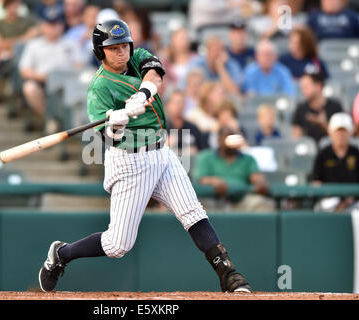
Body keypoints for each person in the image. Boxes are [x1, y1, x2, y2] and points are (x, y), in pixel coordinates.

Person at [38, 18, 252, 294]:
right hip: (129, 160)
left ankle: (229, 275)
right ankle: (62, 254)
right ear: (100, 51)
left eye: (124, 45)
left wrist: (143, 94)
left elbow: (155, 74)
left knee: (193, 212)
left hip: (161, 152)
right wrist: (116, 121)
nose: (121, 51)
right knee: (118, 245)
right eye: (113, 47)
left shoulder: (138, 56)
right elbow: (109, 138)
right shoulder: (99, 88)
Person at [19, 10, 84, 130]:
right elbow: (24, 70)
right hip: (42, 81)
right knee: (29, 88)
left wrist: (68, 75)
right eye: (50, 24)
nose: (53, 28)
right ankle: (50, 118)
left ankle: (75, 124)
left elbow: (79, 65)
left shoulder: (70, 43)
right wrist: (42, 76)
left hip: (66, 83)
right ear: (42, 25)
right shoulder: (33, 44)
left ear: (62, 25)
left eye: (56, 24)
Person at [193, 126, 274, 212]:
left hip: (241, 199)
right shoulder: (206, 157)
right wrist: (213, 181)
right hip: (215, 199)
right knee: (202, 207)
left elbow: (255, 176)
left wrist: (259, 180)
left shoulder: (248, 159)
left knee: (261, 204)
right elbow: (200, 179)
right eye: (227, 136)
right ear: (219, 139)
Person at [0, 0, 39, 103]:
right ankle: (14, 89)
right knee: (9, 57)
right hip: (4, 58)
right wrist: (22, 39)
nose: (14, 7)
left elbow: (38, 32)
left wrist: (9, 44)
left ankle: (14, 88)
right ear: (5, 6)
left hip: (23, 56)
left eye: (16, 4)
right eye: (11, 4)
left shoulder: (27, 21)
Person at [312, 113, 359, 211]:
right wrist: (328, 195)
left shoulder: (357, 154)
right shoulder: (323, 154)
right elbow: (316, 182)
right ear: (331, 133)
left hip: (354, 201)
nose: (341, 135)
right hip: (329, 200)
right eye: (337, 132)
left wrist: (350, 199)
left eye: (344, 132)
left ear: (350, 133)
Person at [292, 70, 343, 143]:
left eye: (307, 87)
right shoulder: (301, 109)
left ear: (318, 86)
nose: (303, 91)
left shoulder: (335, 107)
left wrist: (323, 124)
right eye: (302, 88)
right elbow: (296, 137)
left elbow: (342, 139)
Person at [165, 90, 209, 158]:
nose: (179, 106)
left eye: (182, 103)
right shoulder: (161, 128)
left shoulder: (192, 128)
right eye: (176, 103)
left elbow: (204, 151)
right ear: (168, 105)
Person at [160, 27, 198, 91]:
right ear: (173, 41)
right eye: (180, 38)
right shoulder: (165, 62)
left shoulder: (196, 59)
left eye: (185, 38)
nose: (183, 41)